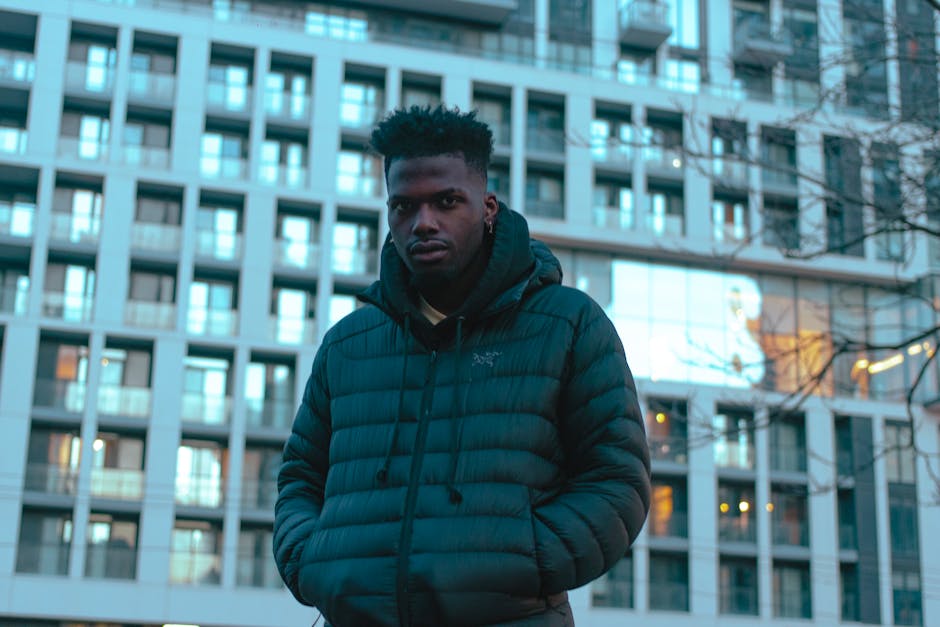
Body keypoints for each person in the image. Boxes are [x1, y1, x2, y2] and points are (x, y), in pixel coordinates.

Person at [273, 105, 651, 627]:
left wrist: (523, 563)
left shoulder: (566, 324)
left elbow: (618, 480)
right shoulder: (349, 344)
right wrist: (315, 563)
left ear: (488, 207)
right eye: (403, 206)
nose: (423, 222)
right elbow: (299, 479)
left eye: (446, 201)